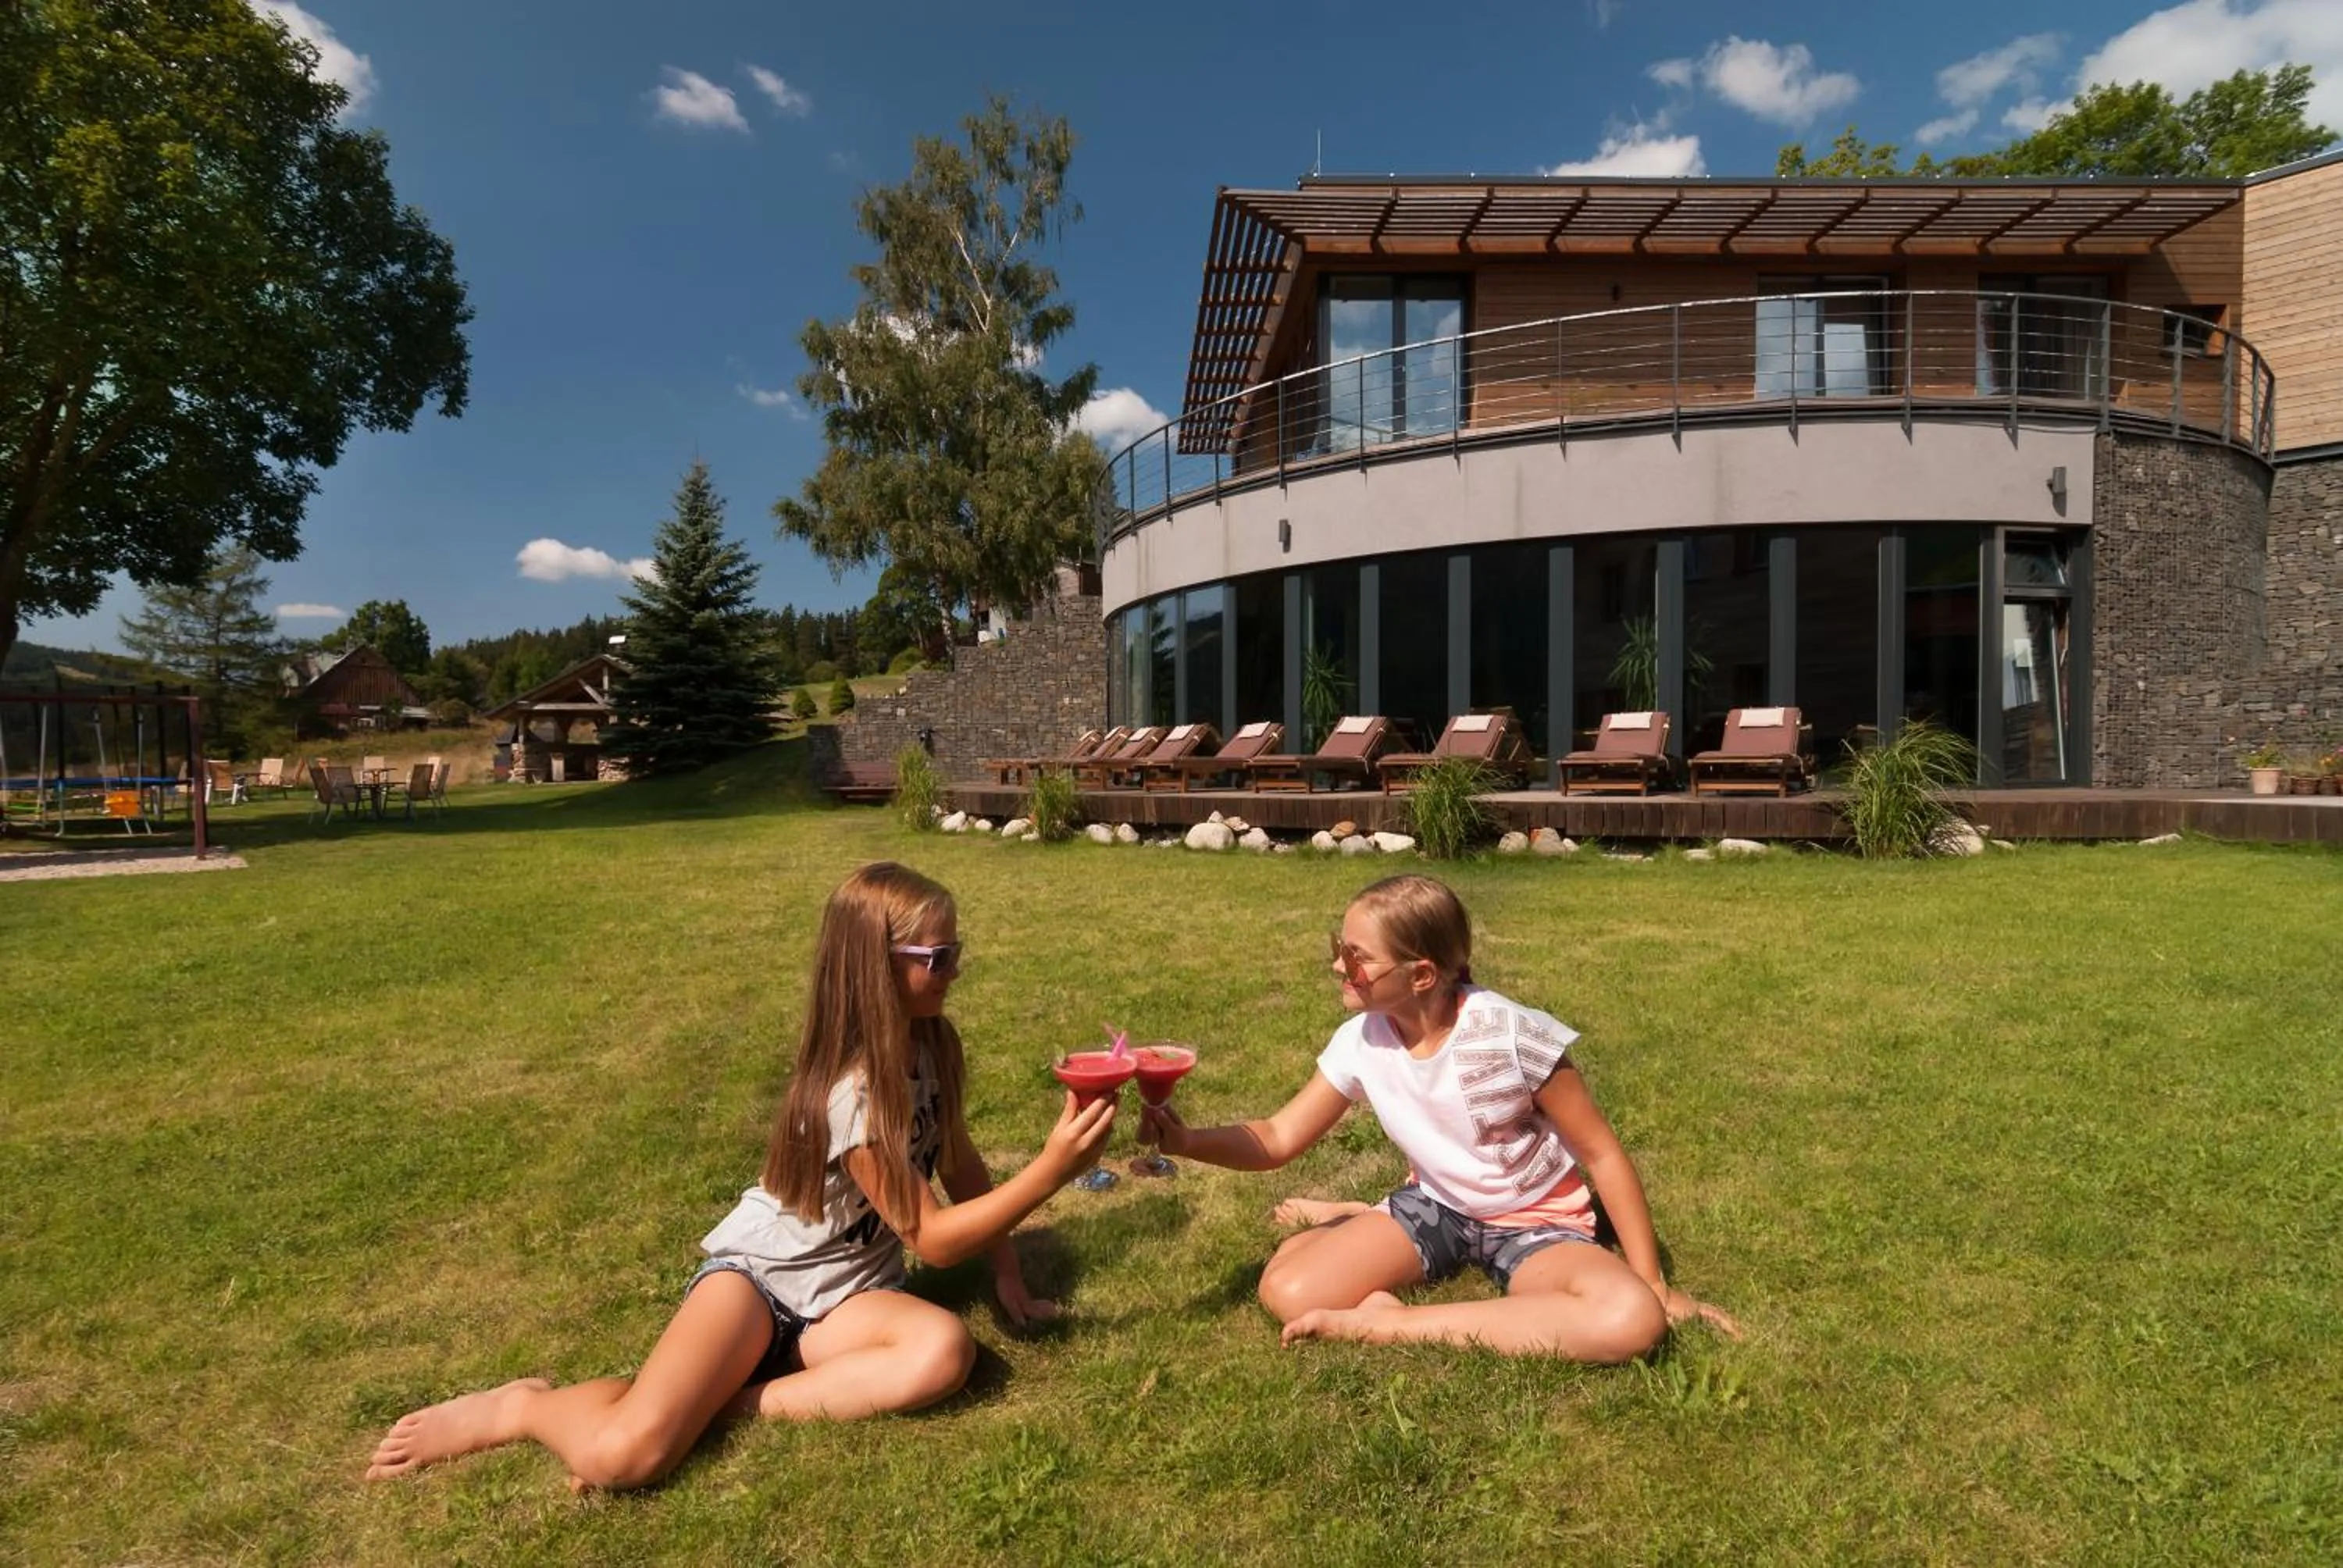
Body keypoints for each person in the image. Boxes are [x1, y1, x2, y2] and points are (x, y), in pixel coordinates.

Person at [365, 861, 1116, 1491]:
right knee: (626, 1458)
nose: (955, 970)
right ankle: (521, 1409)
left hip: (851, 1297)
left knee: (944, 1354)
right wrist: (1053, 1170)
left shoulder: (935, 1045)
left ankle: (721, 1403)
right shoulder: (851, 1092)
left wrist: (1009, 1275)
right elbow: (934, 1240)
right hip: (761, 1282)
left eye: (955, 952)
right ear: (874, 968)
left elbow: (961, 1164)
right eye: (937, 958)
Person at [1140, 874, 1739, 1360]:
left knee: (1630, 1318)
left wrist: (1654, 1283)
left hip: (1534, 1222)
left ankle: (1390, 1323)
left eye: (1355, 958)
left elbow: (1602, 1154)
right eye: (1337, 950)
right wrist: (1186, 1139)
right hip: (1436, 1207)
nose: (1337, 968)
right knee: (1286, 1288)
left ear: (1420, 975)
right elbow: (1277, 1137)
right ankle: (1363, 1218)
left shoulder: (1511, 1036)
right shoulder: (1361, 1040)